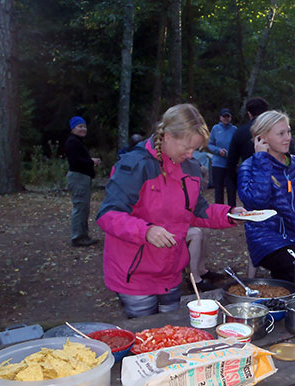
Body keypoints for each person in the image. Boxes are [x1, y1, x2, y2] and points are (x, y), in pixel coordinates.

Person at [96, 104, 245, 318]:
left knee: (172, 334)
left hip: (171, 271)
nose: (191, 154)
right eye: (186, 147)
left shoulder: (190, 168)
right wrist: (146, 231)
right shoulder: (136, 165)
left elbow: (198, 210)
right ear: (166, 136)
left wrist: (230, 215)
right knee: (145, 336)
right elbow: (108, 215)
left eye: (195, 149)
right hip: (136, 273)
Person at [237, 111, 295, 282]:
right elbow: (256, 202)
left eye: (289, 132)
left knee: (291, 285)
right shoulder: (250, 166)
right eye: (281, 133)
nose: (288, 138)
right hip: (267, 240)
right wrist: (262, 160)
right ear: (262, 138)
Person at [65, 116, 102, 247]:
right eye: (79, 127)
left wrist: (90, 160)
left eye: (84, 126)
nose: (83, 129)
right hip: (78, 178)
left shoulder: (78, 142)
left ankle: (83, 235)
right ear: (73, 128)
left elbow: (79, 158)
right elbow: (76, 162)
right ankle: (77, 237)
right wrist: (92, 162)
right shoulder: (72, 142)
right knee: (80, 207)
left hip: (82, 177)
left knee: (84, 207)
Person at [227, 97, 269, 191]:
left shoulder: (240, 132)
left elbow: (231, 162)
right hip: (275, 179)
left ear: (249, 114)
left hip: (251, 180)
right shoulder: (276, 130)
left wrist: (239, 182)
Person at [207, 108, 237, 206]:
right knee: (218, 190)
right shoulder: (215, 129)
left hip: (230, 163)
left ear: (231, 118)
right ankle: (219, 212)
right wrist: (218, 151)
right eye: (224, 116)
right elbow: (210, 144)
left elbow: (237, 145)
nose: (226, 118)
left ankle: (232, 211)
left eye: (228, 116)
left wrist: (231, 153)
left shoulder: (234, 130)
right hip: (218, 163)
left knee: (231, 189)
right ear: (220, 118)